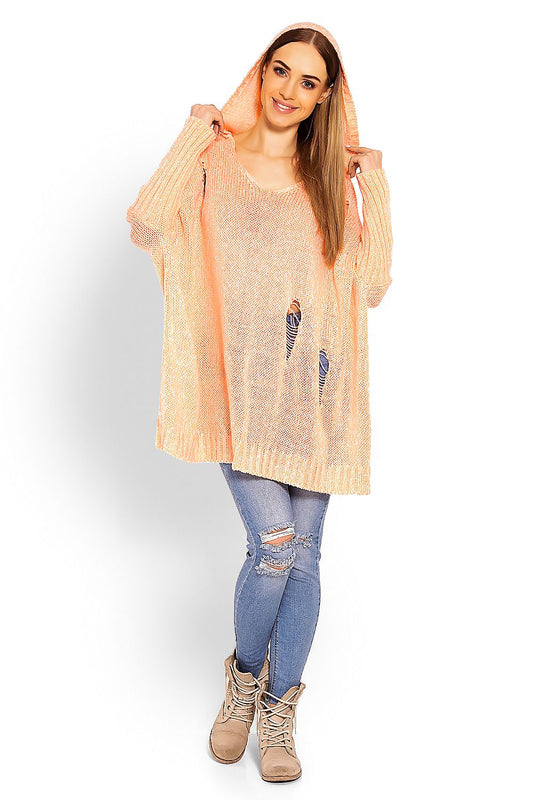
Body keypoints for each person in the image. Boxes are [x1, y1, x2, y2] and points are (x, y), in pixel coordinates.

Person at [126, 21, 393, 783]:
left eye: (308, 82)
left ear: (325, 97)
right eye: (281, 71)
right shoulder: (214, 158)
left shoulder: (326, 179)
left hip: (315, 391)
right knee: (274, 545)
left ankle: (278, 710)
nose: (288, 91)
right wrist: (192, 131)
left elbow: (371, 285)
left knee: (303, 557)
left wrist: (372, 183)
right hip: (238, 389)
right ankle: (242, 683)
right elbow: (147, 223)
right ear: (261, 71)